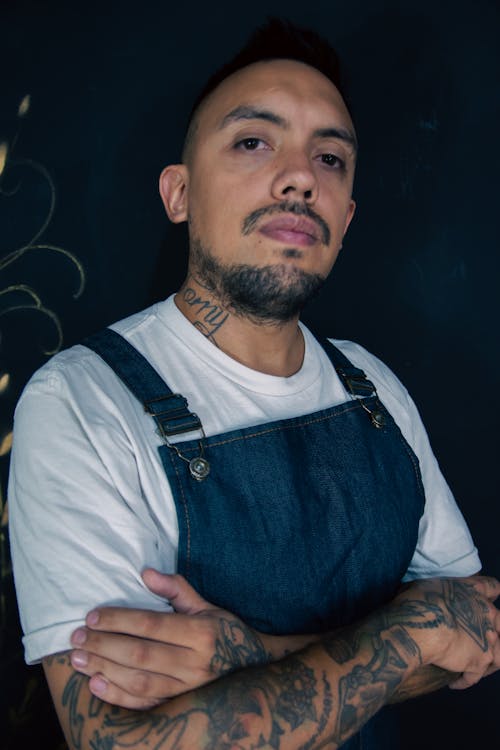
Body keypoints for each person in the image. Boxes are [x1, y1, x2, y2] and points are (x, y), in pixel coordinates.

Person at [8, 18, 500, 750]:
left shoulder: (375, 390)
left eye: (331, 158)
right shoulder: (80, 402)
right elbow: (121, 741)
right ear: (178, 195)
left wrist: (251, 657)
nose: (303, 175)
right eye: (252, 142)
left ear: (348, 216)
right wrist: (409, 629)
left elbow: (479, 632)